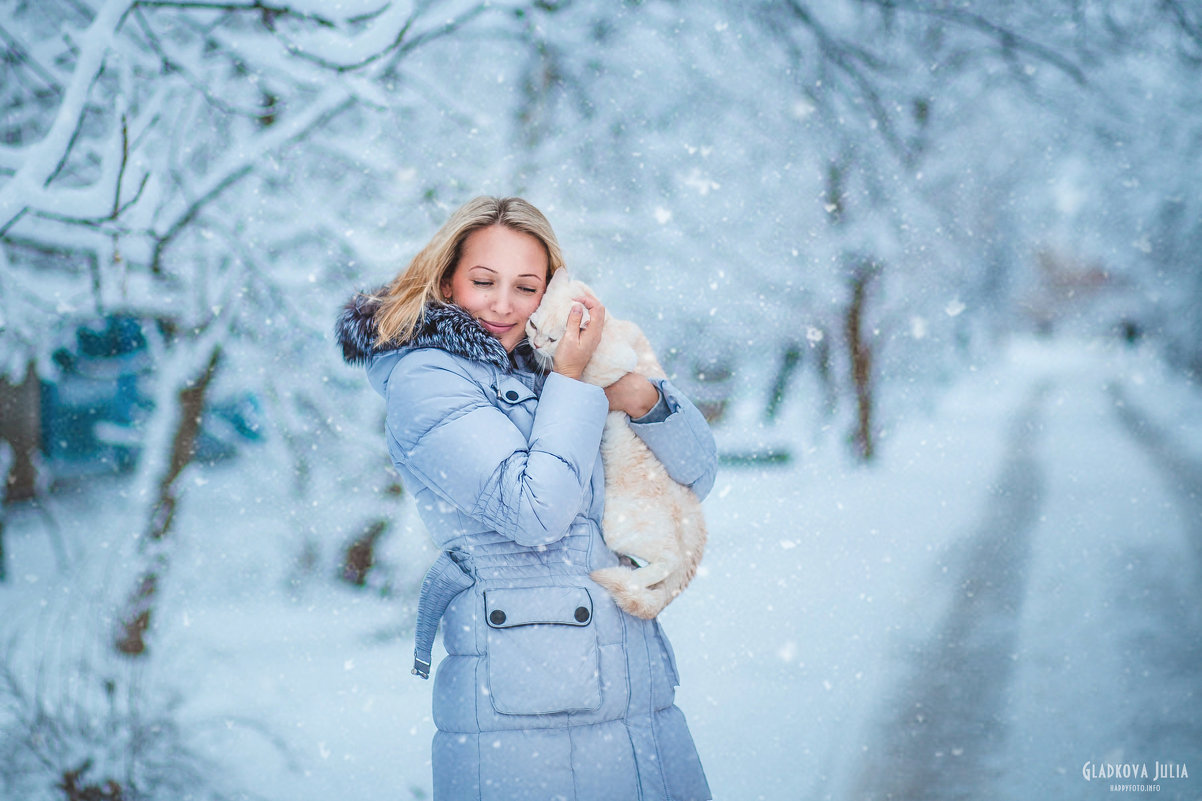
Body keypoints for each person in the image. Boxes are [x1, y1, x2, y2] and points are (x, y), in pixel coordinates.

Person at [336, 196, 716, 801]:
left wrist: (638, 394)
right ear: (446, 279)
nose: (503, 304)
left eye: (526, 286)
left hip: (629, 681)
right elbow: (533, 512)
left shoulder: (554, 360)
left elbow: (695, 475)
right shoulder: (426, 379)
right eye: (483, 281)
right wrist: (572, 381)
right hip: (528, 699)